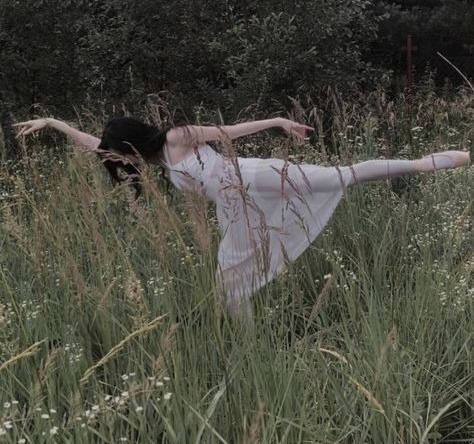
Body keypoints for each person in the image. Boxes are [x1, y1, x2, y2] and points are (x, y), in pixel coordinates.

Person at [13, 116, 470, 317]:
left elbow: (228, 131)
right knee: (230, 286)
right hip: (235, 210)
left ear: (131, 142)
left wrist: (276, 122)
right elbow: (94, 142)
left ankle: (422, 163)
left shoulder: (176, 137)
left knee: (336, 176)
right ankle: (250, 348)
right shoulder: (154, 160)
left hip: (247, 175)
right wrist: (53, 124)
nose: (113, 159)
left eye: (116, 152)